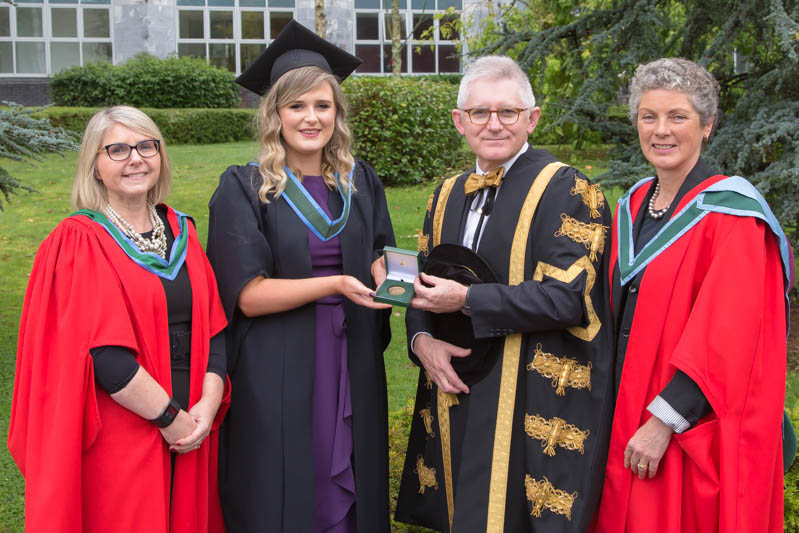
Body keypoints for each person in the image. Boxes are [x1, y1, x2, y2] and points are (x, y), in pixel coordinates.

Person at [394, 55, 615, 532]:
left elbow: (568, 300)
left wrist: (467, 301)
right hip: (459, 388)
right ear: (459, 121)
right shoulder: (445, 194)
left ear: (532, 118)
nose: (493, 124)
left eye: (508, 112)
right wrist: (421, 343)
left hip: (529, 391)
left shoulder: (570, 190)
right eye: (479, 112)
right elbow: (424, 286)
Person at [206, 20, 396, 533]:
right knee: (288, 477)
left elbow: (380, 250)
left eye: (322, 106)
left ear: (337, 113)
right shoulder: (244, 188)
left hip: (351, 351)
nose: (311, 118)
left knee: (356, 468)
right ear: (275, 114)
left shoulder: (359, 182)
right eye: (297, 106)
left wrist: (388, 272)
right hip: (279, 359)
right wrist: (335, 285)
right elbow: (246, 296)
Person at [7, 106, 229, 533]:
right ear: (94, 164)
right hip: (127, 426)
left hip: (195, 418)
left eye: (147, 146)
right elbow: (105, 353)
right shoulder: (79, 240)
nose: (135, 158)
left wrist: (206, 405)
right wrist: (171, 419)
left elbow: (214, 327)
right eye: (118, 149)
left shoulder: (181, 230)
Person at [594, 58, 790, 533]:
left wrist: (663, 422)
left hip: (687, 424)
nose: (661, 130)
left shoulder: (733, 216)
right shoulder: (633, 204)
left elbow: (730, 337)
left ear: (707, 126)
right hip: (621, 411)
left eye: (677, 117)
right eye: (648, 116)